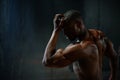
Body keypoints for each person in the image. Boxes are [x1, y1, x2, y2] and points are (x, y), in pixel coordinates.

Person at [42, 10, 118, 80]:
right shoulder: (100, 36)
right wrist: (112, 77)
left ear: (78, 24)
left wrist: (56, 30)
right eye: (63, 30)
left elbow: (47, 61)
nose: (65, 34)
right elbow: (114, 56)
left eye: (67, 29)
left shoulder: (82, 48)